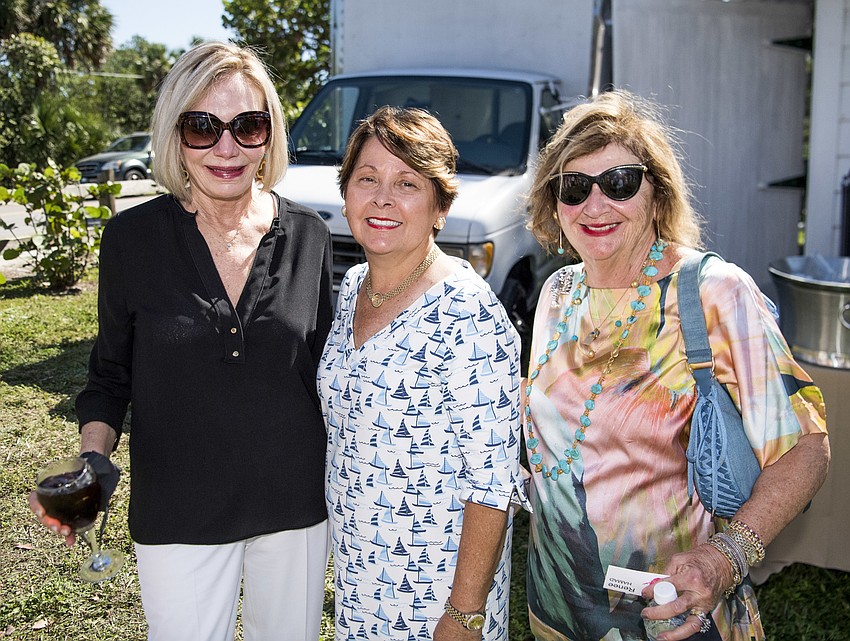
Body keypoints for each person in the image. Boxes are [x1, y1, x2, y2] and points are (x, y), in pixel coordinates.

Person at [29, 41, 332, 641]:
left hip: (295, 507)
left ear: (269, 135)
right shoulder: (130, 241)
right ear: (175, 134)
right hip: (178, 508)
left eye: (248, 126)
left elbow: (328, 375)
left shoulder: (310, 236)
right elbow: (110, 376)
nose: (227, 148)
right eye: (202, 127)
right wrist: (93, 457)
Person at [523, 90, 830, 641]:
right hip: (558, 613)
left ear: (657, 195)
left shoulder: (714, 291)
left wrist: (726, 559)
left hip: (674, 617)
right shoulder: (557, 293)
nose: (595, 206)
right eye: (574, 187)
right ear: (553, 202)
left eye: (618, 183)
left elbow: (807, 448)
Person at [318, 106, 529, 641]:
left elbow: (493, 483)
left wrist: (463, 614)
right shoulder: (354, 287)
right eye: (367, 179)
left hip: (436, 598)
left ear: (439, 206)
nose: (383, 198)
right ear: (347, 195)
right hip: (361, 582)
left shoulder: (468, 312)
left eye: (407, 183)